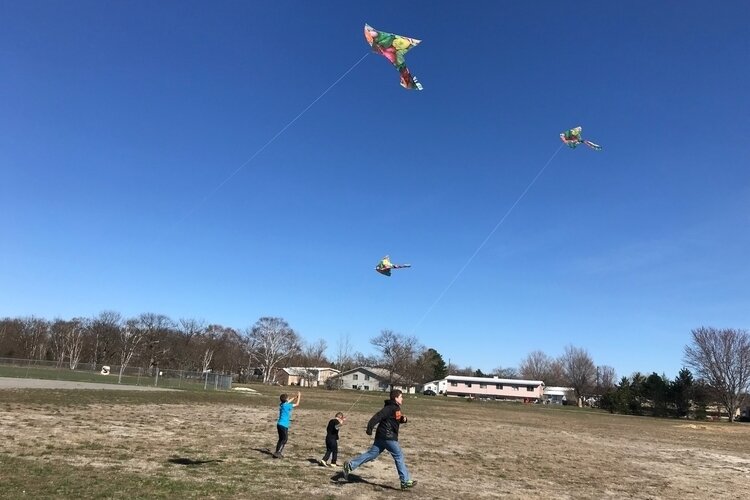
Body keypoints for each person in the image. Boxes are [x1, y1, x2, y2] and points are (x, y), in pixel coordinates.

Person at [343, 389, 416, 490]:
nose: (402, 399)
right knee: (399, 456)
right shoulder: (390, 407)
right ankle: (405, 481)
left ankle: (350, 465)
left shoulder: (395, 408)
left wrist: (403, 419)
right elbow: (378, 416)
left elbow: (396, 418)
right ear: (396, 398)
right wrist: (370, 427)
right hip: (388, 437)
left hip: (381, 437)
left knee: (372, 454)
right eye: (401, 397)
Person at [273, 391, 301, 458]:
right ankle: (278, 453)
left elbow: (288, 401)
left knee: (280, 439)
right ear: (286, 400)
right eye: (288, 398)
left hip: (279, 424)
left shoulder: (282, 404)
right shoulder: (287, 405)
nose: (289, 399)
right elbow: (297, 404)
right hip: (284, 425)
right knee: (284, 439)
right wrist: (299, 396)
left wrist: (294, 397)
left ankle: (277, 452)